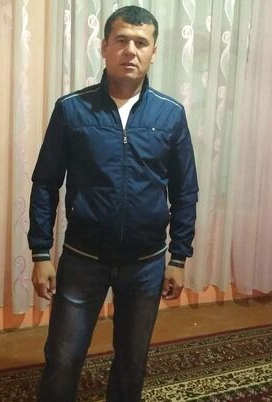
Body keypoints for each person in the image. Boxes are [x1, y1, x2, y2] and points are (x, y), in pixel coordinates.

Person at [28, 5, 198, 402]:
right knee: (63, 358)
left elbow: (185, 190)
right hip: (83, 258)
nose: (130, 50)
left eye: (141, 42)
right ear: (104, 47)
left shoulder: (170, 115)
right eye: (121, 40)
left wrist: (178, 257)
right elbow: (45, 183)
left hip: (146, 262)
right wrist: (40, 252)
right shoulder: (72, 110)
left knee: (132, 363)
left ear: (154, 51)